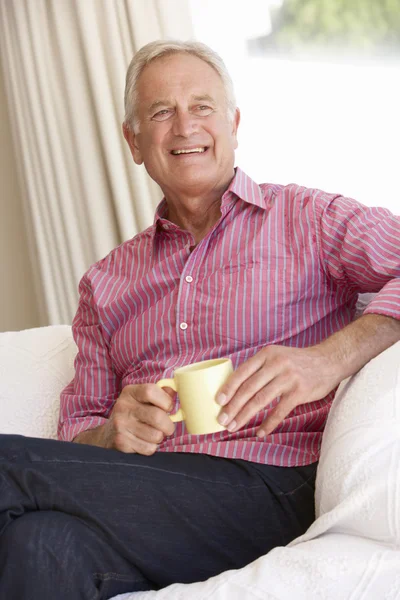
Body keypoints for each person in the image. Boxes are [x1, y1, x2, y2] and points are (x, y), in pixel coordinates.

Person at [1, 40, 399, 600]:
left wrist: (326, 360)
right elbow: (77, 432)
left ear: (234, 124)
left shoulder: (308, 220)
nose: (185, 126)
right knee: (38, 546)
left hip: (272, 488)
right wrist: (111, 432)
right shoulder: (106, 284)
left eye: (203, 107)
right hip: (148, 494)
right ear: (134, 142)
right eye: (161, 112)